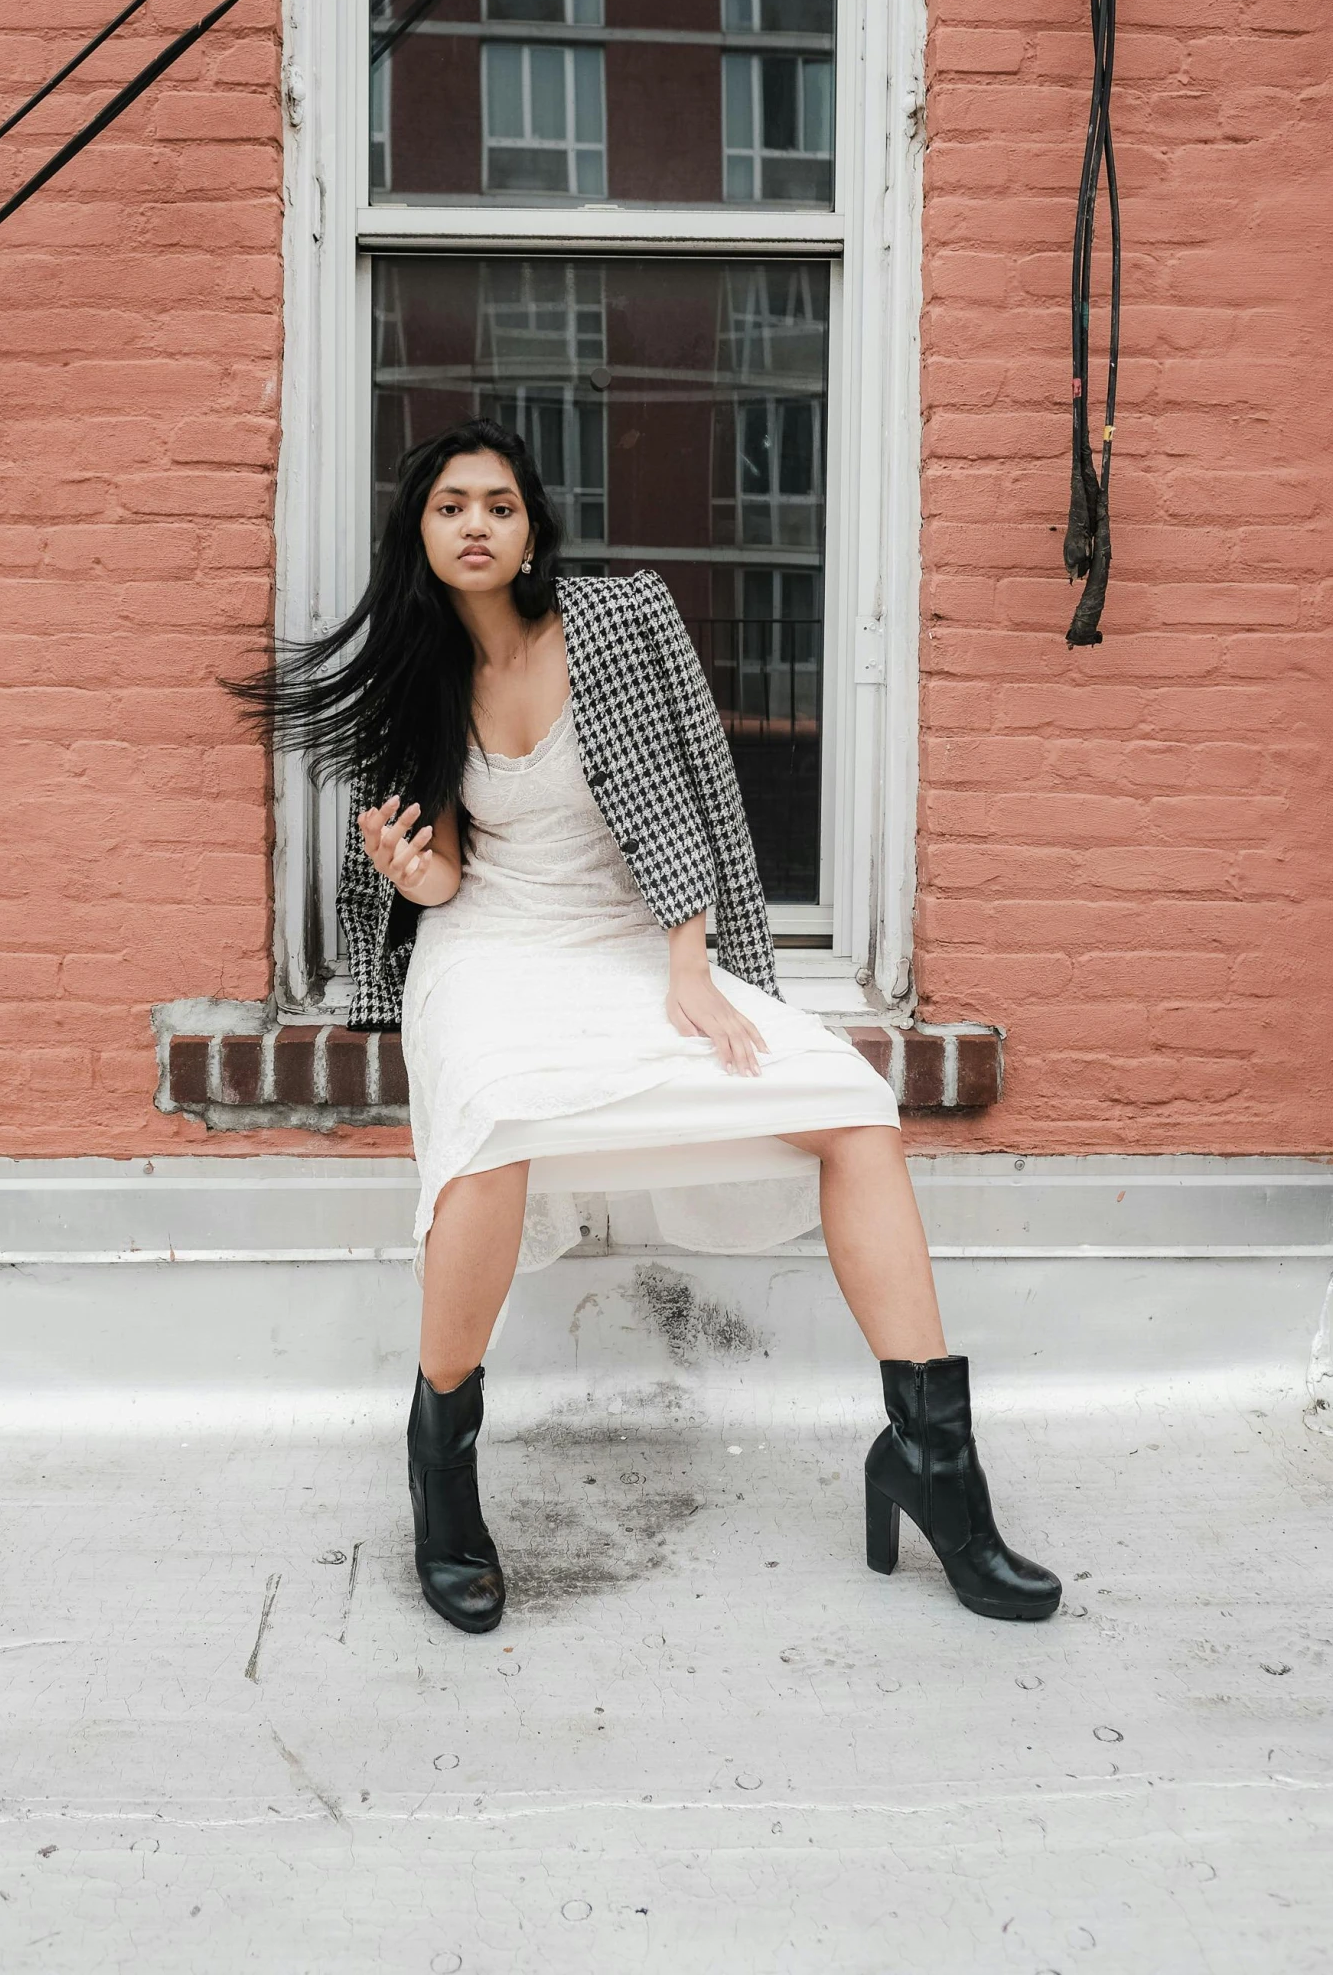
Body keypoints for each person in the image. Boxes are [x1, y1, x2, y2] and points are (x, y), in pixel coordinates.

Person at [232, 418, 1060, 1636]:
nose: (476, 523)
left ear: (530, 528)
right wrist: (408, 878)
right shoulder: (417, 677)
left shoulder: (623, 620)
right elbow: (448, 881)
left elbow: (699, 786)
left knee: (851, 1107)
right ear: (420, 532)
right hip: (493, 949)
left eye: (500, 505)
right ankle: (442, 1463)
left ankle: (933, 1467)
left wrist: (692, 963)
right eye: (451, 504)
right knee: (492, 1122)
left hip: (639, 943)